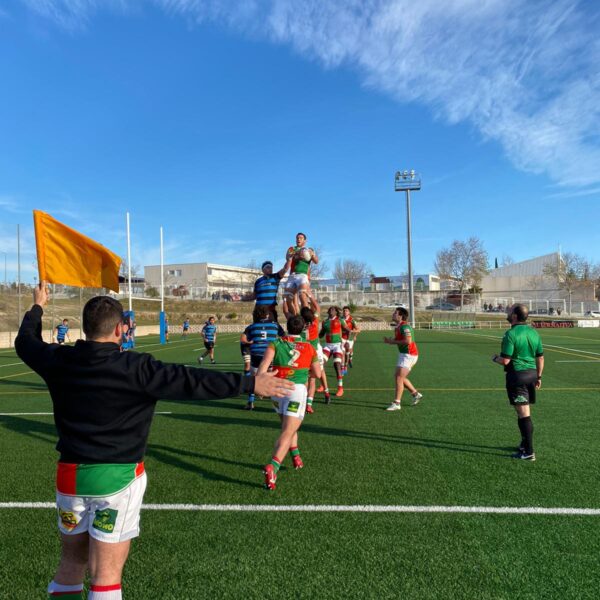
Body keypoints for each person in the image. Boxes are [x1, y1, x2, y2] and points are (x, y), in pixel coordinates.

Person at [15, 283, 294, 600]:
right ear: (122, 328)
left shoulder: (60, 360)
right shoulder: (136, 368)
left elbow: (25, 342)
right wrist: (248, 383)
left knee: (70, 564)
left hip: (69, 478)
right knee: (105, 577)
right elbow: (191, 381)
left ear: (84, 327)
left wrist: (38, 306)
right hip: (116, 482)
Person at [259, 315, 321, 490]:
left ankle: (296, 455)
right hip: (296, 391)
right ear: (302, 329)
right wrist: (301, 373)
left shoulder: (276, 343)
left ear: (287, 327)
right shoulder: (309, 347)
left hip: (276, 389)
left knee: (287, 428)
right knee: (288, 430)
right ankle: (274, 466)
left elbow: (263, 367)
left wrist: (258, 386)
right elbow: (316, 373)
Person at [492, 303, 544, 461]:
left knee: (524, 414)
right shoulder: (534, 332)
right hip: (532, 375)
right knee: (523, 412)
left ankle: (528, 452)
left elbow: (505, 361)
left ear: (514, 316)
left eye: (509, 311)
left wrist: (494, 358)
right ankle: (524, 444)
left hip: (518, 377)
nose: (507, 313)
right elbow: (540, 357)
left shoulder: (510, 334)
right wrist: (539, 377)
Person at [241, 305, 285, 410]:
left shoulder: (252, 326)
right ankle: (278, 405)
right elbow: (283, 337)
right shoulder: (275, 325)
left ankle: (250, 402)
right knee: (273, 379)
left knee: (253, 380)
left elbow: (243, 339)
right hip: (270, 355)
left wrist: (249, 342)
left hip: (256, 355)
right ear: (268, 314)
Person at [384, 307, 423, 411]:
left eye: (395, 313)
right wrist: (390, 340)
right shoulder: (398, 327)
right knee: (399, 377)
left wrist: (392, 342)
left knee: (399, 378)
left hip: (409, 355)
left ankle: (397, 403)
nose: (393, 314)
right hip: (404, 354)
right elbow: (399, 340)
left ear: (400, 316)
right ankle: (415, 394)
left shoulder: (405, 326)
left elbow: (408, 341)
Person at [300, 295, 330, 411]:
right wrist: (309, 295)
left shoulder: (299, 324)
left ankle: (305, 402)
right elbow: (317, 307)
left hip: (304, 351)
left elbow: (289, 311)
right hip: (315, 351)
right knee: (319, 373)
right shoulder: (315, 320)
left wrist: (291, 298)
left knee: (306, 378)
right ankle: (326, 392)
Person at [319, 306, 352, 398]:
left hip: (337, 345)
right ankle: (322, 385)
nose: (330, 310)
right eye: (329, 309)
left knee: (337, 364)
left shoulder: (340, 320)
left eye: (333, 309)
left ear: (336, 312)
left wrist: (347, 342)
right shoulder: (325, 322)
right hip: (327, 345)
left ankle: (340, 388)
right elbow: (321, 335)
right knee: (320, 364)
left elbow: (348, 331)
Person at [283, 232, 319, 315]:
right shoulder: (292, 248)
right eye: (297, 238)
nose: (298, 239)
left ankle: (305, 318)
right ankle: (296, 318)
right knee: (288, 299)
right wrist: (298, 254)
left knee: (302, 296)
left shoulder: (309, 250)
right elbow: (288, 257)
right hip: (292, 275)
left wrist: (312, 255)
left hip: (302, 275)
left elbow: (316, 261)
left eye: (300, 238)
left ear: (305, 240)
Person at [341, 306, 360, 374]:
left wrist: (353, 334)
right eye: (344, 311)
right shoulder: (340, 319)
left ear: (349, 312)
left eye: (346, 311)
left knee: (348, 352)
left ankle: (347, 362)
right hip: (342, 338)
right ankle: (343, 368)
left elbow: (358, 330)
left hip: (350, 339)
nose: (345, 312)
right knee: (342, 353)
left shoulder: (352, 320)